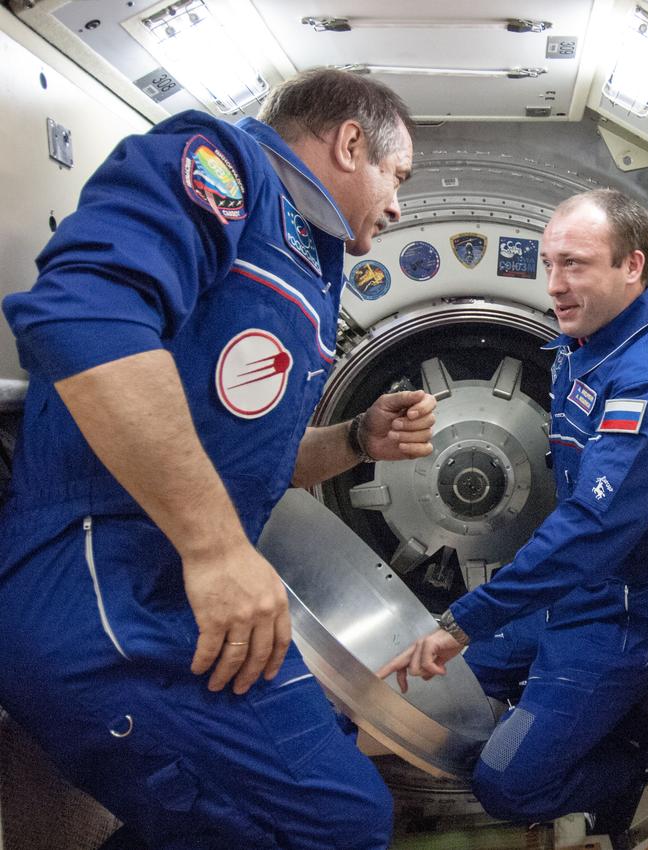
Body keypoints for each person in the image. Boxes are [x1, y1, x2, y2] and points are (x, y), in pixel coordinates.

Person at [0, 69, 434, 849]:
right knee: (339, 823)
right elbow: (82, 314)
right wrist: (216, 548)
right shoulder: (221, 167)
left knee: (323, 758)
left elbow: (237, 457)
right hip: (101, 593)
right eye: (397, 176)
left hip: (173, 599)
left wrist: (355, 440)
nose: (398, 203)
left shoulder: (307, 255)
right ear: (349, 142)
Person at [379, 189, 648, 829]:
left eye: (576, 265)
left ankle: (645, 759)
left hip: (626, 617)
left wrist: (463, 621)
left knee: (507, 788)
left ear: (633, 267)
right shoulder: (584, 349)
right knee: (428, 691)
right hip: (568, 601)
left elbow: (591, 528)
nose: (555, 285)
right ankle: (582, 726)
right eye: (548, 264)